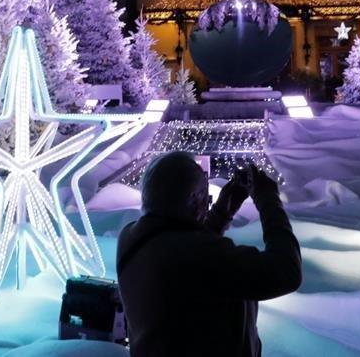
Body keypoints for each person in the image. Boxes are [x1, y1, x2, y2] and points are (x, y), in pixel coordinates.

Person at [117, 152, 302, 356]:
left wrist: (221, 212)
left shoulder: (130, 238)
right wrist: (269, 200)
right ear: (194, 200)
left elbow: (187, 256)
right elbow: (286, 271)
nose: (206, 205)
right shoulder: (199, 255)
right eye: (205, 199)